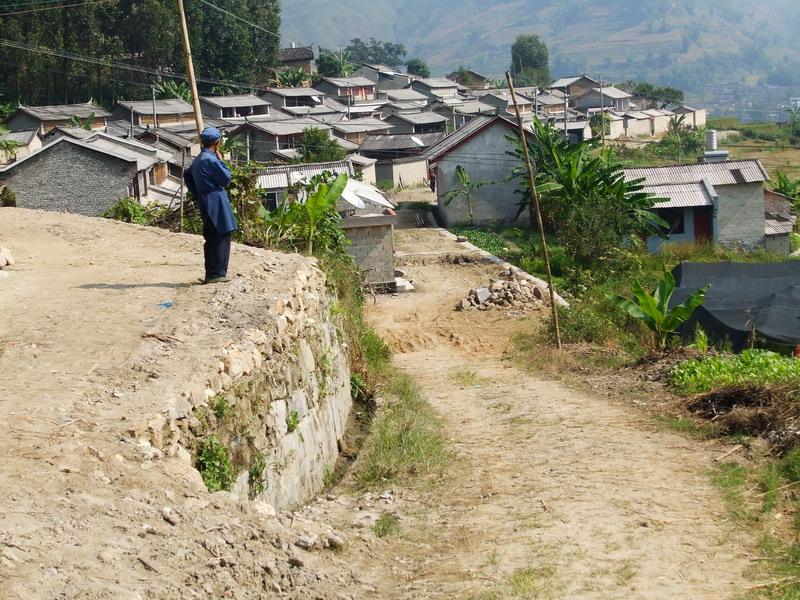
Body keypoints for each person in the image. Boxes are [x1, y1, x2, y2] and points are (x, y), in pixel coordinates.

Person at [183, 127, 237, 284]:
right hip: (216, 198)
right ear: (217, 143)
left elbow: (188, 175)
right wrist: (220, 160)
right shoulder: (211, 159)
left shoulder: (199, 159)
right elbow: (226, 178)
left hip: (204, 199)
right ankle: (218, 273)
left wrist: (196, 193)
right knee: (222, 234)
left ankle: (210, 272)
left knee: (211, 236)